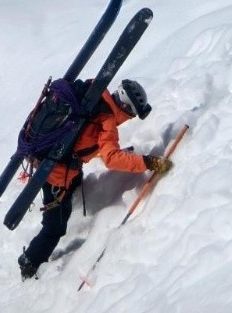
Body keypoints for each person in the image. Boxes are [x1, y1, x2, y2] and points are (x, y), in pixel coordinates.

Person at [17, 79, 171, 280]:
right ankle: (30, 261)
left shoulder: (94, 96)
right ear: (126, 108)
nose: (129, 118)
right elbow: (111, 158)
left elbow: (84, 138)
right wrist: (148, 162)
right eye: (132, 114)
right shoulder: (107, 121)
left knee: (73, 187)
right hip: (56, 176)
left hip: (55, 163)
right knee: (55, 227)